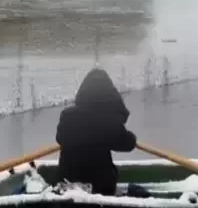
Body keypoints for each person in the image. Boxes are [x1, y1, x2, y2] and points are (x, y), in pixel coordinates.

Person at [55, 68, 141, 196]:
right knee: (138, 192)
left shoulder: (66, 116)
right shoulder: (107, 121)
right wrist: (133, 138)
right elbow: (128, 143)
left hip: (67, 185)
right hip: (99, 188)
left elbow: (59, 138)